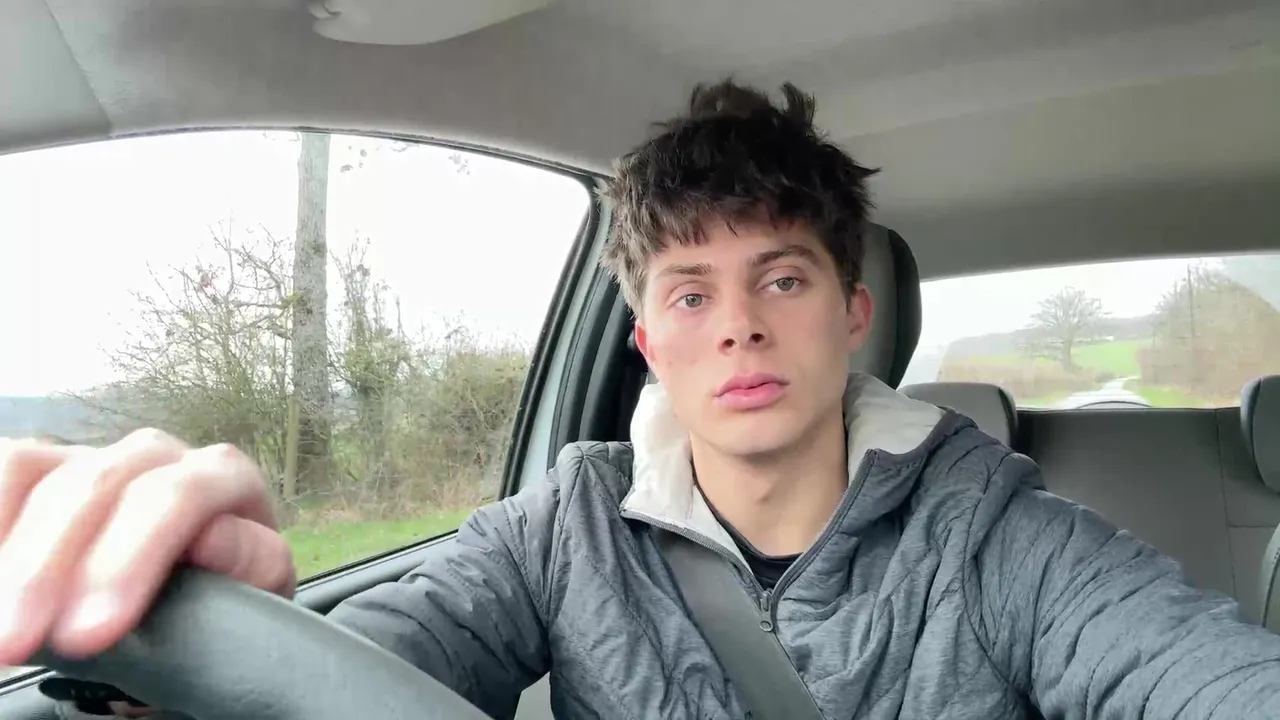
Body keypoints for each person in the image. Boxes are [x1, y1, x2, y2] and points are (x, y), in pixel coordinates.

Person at [2, 79, 1279, 720]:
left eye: (781, 277)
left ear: (851, 314)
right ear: (646, 341)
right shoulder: (555, 533)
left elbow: (1203, 677)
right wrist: (177, 645)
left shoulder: (1000, 534)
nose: (736, 323)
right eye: (688, 292)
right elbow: (368, 667)